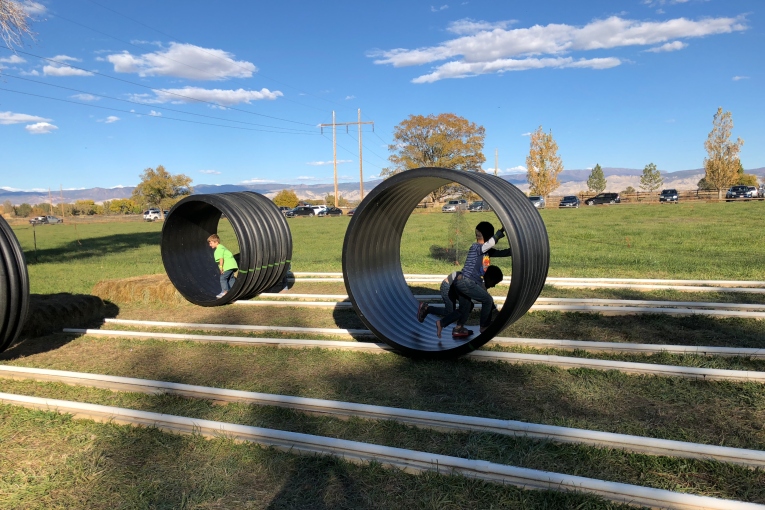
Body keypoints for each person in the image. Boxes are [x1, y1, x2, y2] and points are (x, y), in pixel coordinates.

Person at [427, 221, 509, 338]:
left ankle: (442, 324)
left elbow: (501, 252)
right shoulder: (477, 247)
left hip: (462, 282)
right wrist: (500, 232)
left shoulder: (484, 250)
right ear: (488, 236)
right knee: (487, 300)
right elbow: (490, 244)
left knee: (464, 309)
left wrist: (515, 250)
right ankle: (484, 326)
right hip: (466, 282)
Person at [207, 234, 238, 298]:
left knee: (223, 278)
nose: (210, 245)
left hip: (227, 266)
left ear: (216, 242)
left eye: (211, 243)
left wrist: (221, 268)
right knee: (231, 278)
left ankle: (225, 292)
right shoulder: (222, 247)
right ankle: (234, 291)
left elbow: (221, 258)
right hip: (232, 265)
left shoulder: (218, 249)